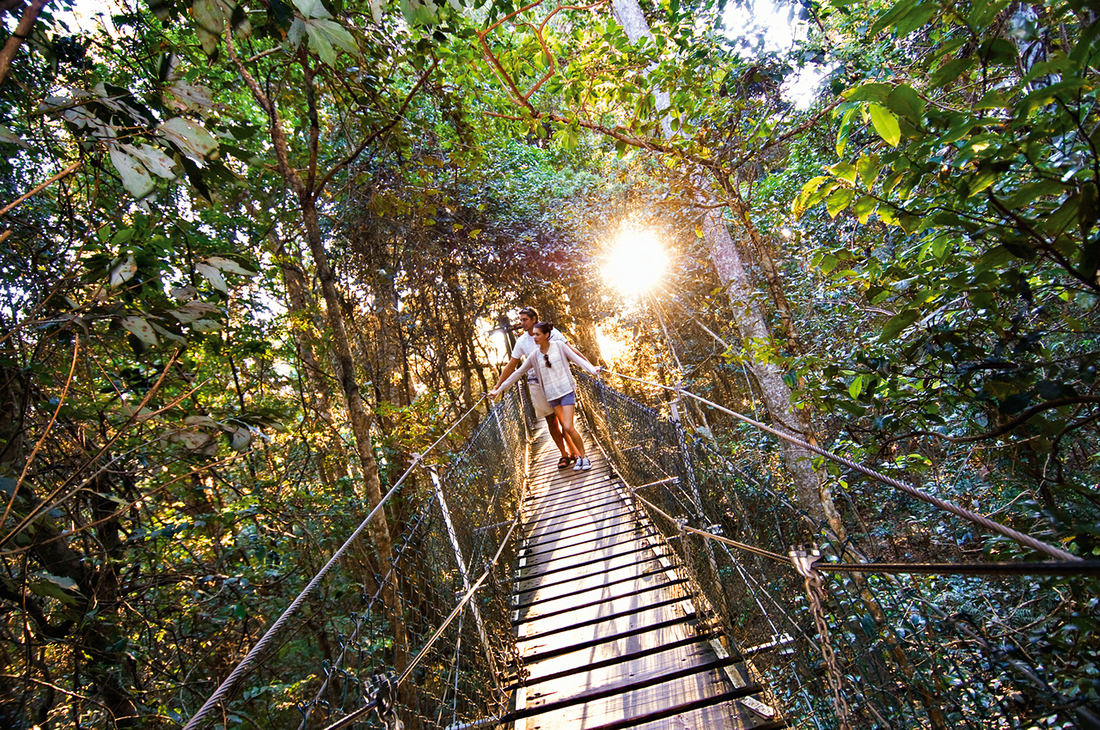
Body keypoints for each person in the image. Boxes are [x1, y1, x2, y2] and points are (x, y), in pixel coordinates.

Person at [491, 322, 601, 471]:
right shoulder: (534, 356)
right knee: (563, 426)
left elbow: (576, 359)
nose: (534, 337)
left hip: (566, 391)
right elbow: (517, 373)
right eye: (533, 334)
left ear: (546, 335)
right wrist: (499, 389)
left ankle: (584, 457)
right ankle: (580, 459)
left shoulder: (559, 346)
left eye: (537, 334)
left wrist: (593, 370)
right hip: (551, 396)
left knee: (568, 426)